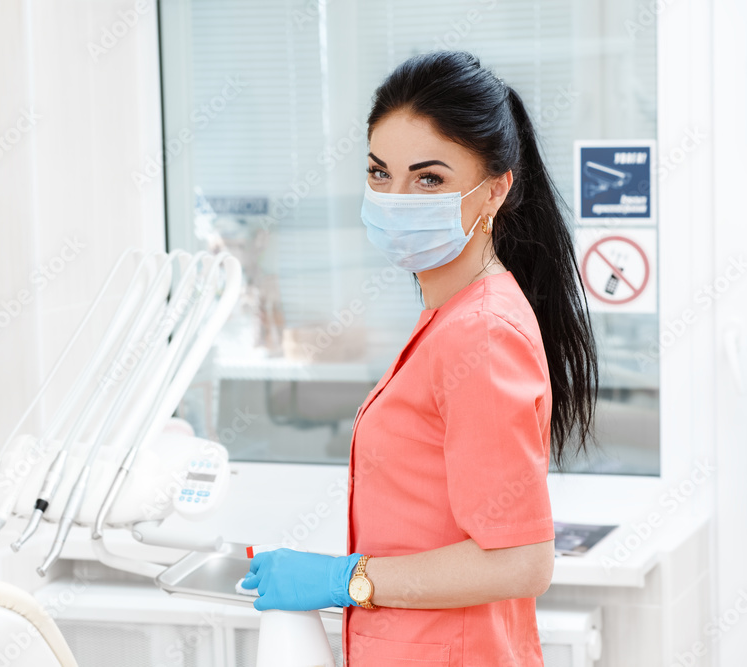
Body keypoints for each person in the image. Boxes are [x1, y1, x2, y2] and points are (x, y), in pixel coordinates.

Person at [240, 51, 599, 666]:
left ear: (497, 188)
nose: (396, 198)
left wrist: (344, 579)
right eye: (380, 173)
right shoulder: (452, 317)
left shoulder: (480, 333)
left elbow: (520, 559)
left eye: (428, 179)